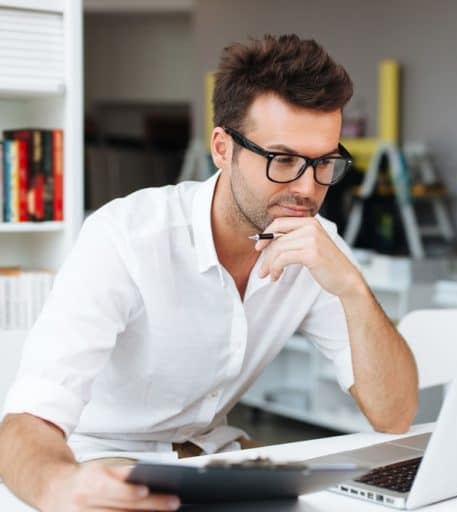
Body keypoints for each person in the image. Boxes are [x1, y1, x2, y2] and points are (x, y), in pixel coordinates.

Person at [0, 35, 418, 512]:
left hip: (216, 463)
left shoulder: (317, 245)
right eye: (282, 160)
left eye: (324, 163)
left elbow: (395, 415)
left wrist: (353, 289)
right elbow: (26, 422)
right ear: (222, 148)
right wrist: (59, 488)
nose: (307, 188)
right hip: (102, 465)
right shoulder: (124, 238)